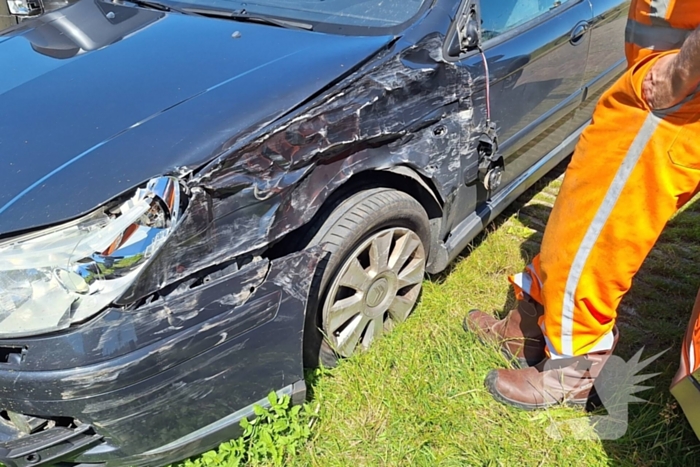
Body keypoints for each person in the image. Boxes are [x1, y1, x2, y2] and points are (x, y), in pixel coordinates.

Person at [464, 1, 700, 409]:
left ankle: (574, 366)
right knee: (578, 210)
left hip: (678, 92)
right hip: (663, 76)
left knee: (598, 228)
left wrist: (680, 73)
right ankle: (526, 331)